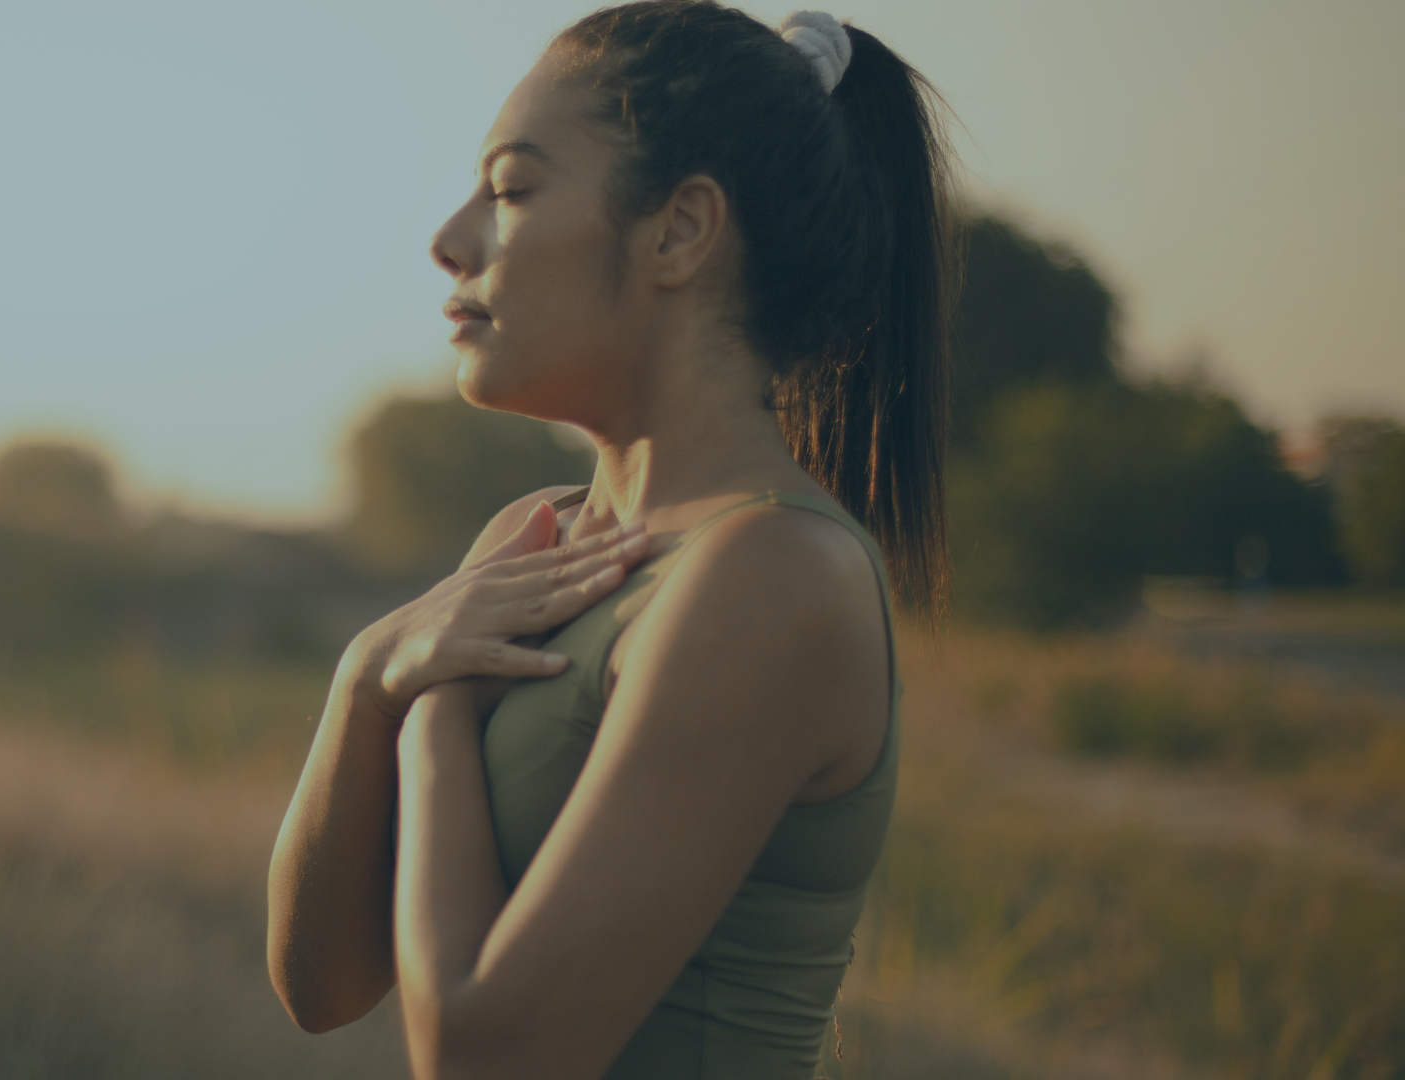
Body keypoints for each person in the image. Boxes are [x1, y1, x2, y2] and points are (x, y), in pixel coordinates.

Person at [266, 4, 955, 1077]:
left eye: (510, 189)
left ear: (679, 231)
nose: (451, 240)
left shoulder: (772, 573)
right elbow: (321, 986)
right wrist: (366, 679)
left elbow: (481, 1059)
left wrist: (432, 707)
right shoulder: (533, 541)